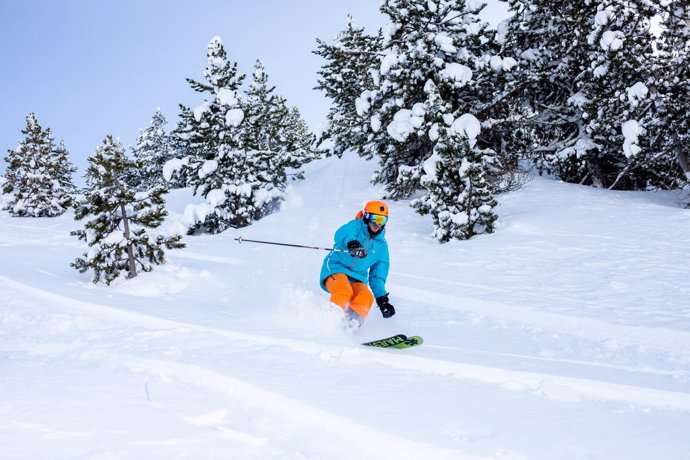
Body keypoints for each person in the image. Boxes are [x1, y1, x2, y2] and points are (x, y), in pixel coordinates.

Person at [319, 200, 396, 326]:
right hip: (336, 268)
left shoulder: (382, 246)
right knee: (344, 291)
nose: (377, 224)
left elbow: (377, 275)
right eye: (375, 218)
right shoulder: (355, 226)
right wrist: (352, 243)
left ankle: (350, 327)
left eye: (382, 220)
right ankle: (327, 324)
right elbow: (342, 233)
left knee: (366, 297)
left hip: (357, 278)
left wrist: (382, 299)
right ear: (366, 216)